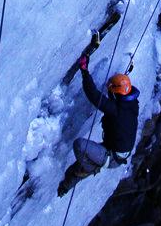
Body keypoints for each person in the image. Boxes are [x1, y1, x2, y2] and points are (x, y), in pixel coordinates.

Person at [57, 56, 140, 197]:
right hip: (117, 150)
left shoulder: (117, 109)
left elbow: (95, 96)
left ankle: (89, 168)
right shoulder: (131, 104)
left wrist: (84, 71)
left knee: (80, 147)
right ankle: (66, 186)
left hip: (112, 157)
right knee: (76, 167)